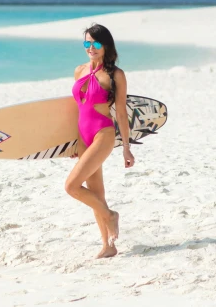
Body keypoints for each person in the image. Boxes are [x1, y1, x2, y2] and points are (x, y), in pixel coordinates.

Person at [65, 23, 134, 259]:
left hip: (102, 133)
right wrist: (74, 142)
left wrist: (126, 148)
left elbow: (122, 113)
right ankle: (108, 246)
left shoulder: (116, 75)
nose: (90, 48)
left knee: (71, 187)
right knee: (96, 193)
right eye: (87, 43)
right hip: (83, 137)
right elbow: (77, 110)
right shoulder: (79, 70)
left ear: (105, 46)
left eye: (95, 43)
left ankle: (111, 215)